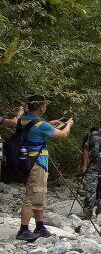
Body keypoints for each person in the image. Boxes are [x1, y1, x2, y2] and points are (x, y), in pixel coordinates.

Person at [15, 97, 74, 242]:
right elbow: (63, 134)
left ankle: (40, 226)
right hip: (37, 163)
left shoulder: (23, 120)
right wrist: (69, 124)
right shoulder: (40, 125)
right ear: (41, 107)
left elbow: (37, 129)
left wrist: (50, 124)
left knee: (39, 194)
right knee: (32, 196)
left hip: (28, 161)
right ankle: (23, 230)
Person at [80, 117, 101, 218]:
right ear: (100, 125)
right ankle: (86, 214)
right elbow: (86, 149)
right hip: (93, 167)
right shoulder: (93, 135)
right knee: (90, 190)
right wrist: (84, 166)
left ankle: (100, 214)